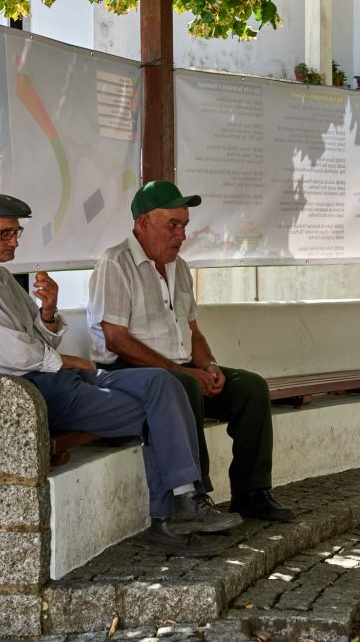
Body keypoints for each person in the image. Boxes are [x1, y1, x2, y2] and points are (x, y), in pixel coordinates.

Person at [0, 193, 241, 556]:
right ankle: (176, 513)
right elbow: (12, 353)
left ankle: (184, 505)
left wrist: (48, 311)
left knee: (165, 382)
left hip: (61, 379)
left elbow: (38, 336)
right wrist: (64, 360)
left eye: (17, 233)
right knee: (156, 412)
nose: (14, 241)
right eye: (6, 234)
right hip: (34, 392)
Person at [88, 180, 295, 522]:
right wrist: (185, 373)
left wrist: (209, 365)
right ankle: (196, 498)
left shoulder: (178, 267)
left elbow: (192, 330)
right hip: (129, 374)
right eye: (173, 225)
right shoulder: (115, 263)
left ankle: (252, 492)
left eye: (184, 225)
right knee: (182, 388)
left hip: (180, 369)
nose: (181, 235)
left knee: (250, 387)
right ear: (144, 223)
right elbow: (115, 339)